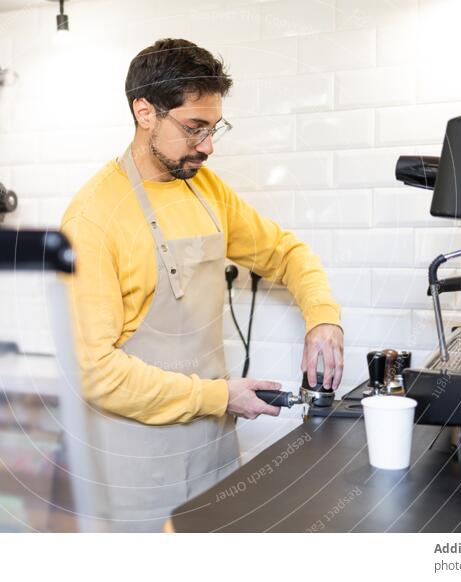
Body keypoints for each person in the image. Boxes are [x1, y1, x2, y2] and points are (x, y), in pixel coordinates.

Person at [61, 38, 343, 532]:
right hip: (138, 467)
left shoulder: (205, 188)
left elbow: (285, 252)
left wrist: (322, 317)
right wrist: (220, 396)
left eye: (214, 129)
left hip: (214, 446)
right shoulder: (93, 219)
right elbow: (95, 374)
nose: (208, 146)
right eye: (194, 129)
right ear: (144, 112)